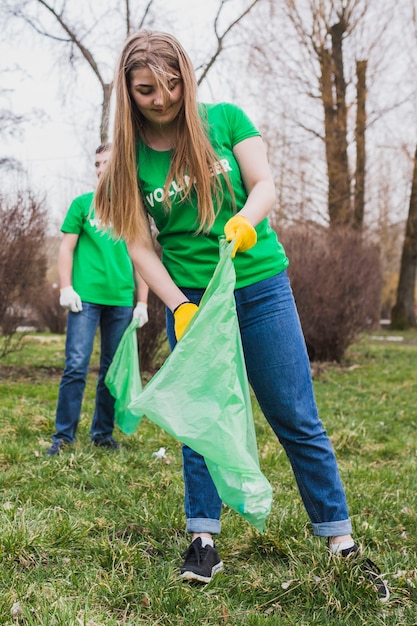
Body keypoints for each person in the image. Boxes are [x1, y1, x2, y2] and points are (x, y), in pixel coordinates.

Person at [94, 31, 389, 600]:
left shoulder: (224, 120)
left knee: (295, 414)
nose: (163, 99)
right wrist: (177, 303)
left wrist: (247, 220)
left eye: (173, 84)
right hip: (194, 305)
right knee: (201, 421)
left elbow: (264, 185)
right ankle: (203, 540)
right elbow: (138, 245)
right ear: (128, 93)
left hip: (258, 287)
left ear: (187, 75)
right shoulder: (128, 161)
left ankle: (340, 541)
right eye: (147, 90)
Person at [46, 144, 149, 456]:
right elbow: (66, 248)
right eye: (97, 163)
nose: (101, 168)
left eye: (107, 162)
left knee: (110, 370)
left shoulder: (133, 209)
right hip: (84, 300)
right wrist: (66, 287)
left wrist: (142, 302)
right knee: (76, 366)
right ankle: (63, 437)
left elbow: (143, 259)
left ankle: (102, 435)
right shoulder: (82, 204)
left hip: (120, 301)